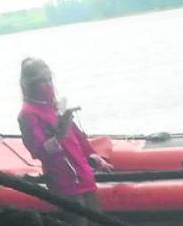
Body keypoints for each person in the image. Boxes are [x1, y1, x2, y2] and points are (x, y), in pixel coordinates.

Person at [17, 58, 113, 216]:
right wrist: (60, 134)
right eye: (42, 81)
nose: (48, 85)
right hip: (62, 178)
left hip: (82, 172)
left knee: (97, 222)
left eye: (49, 79)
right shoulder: (28, 114)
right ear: (29, 85)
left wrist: (94, 157)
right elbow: (39, 151)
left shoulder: (54, 106)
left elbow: (77, 138)